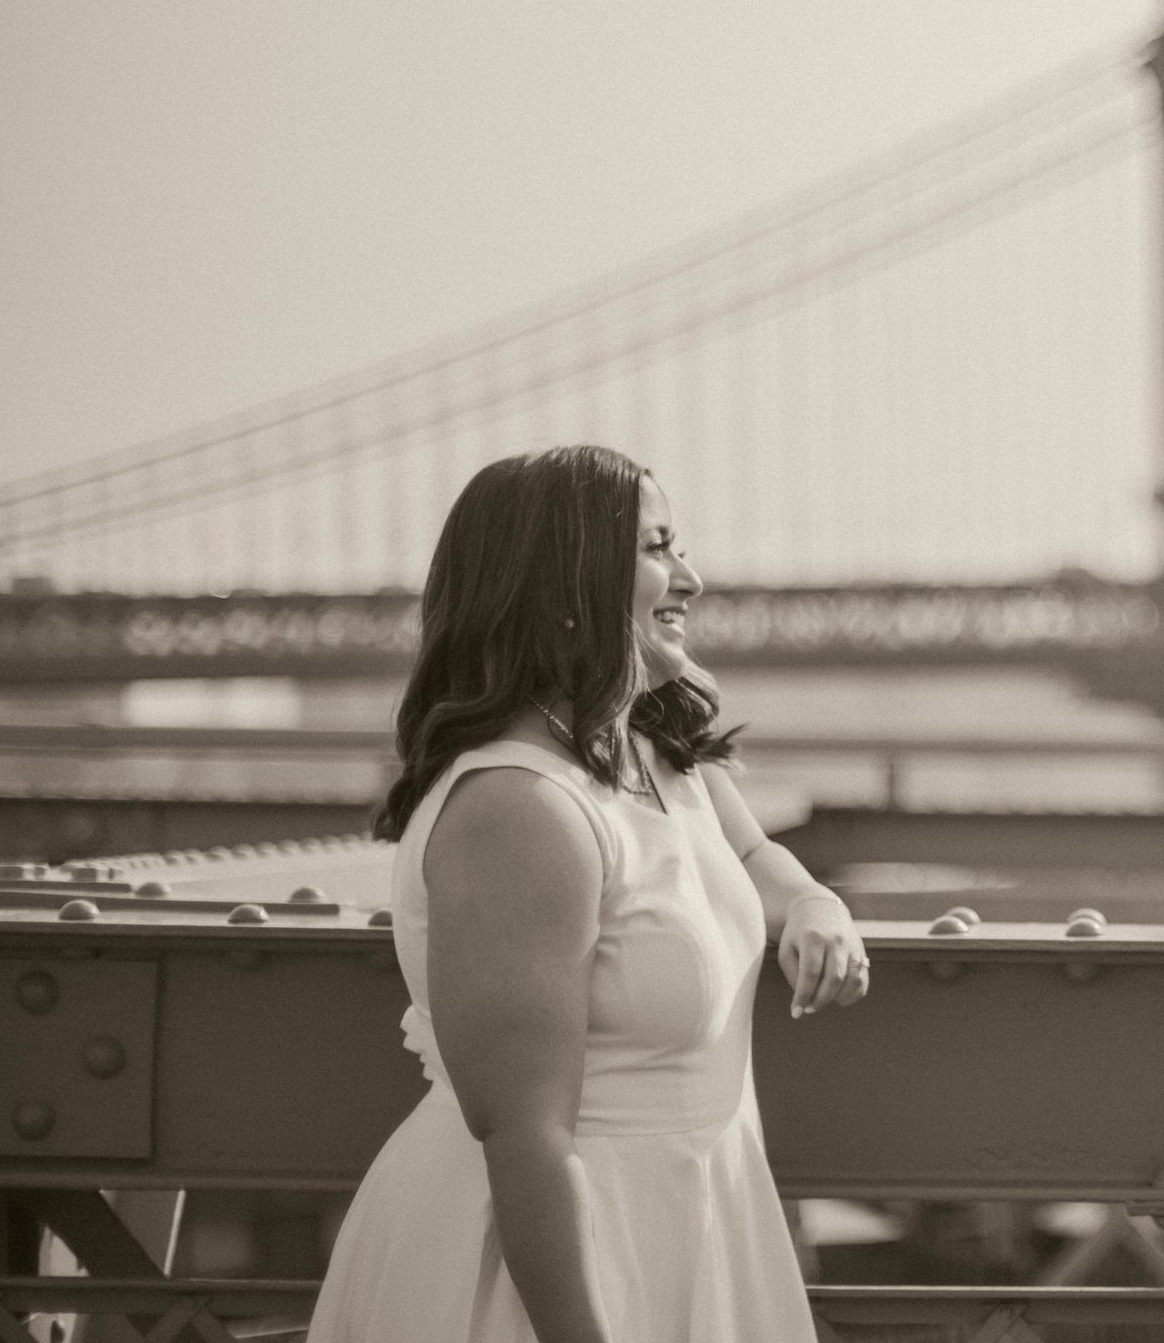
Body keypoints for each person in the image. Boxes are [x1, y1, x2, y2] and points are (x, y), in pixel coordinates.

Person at [309, 445, 870, 1343]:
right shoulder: (519, 811)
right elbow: (526, 1140)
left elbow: (756, 854)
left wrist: (816, 905)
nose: (691, 574)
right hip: (559, 1280)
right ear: (563, 582)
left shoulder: (652, 754)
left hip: (694, 1228)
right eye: (656, 549)